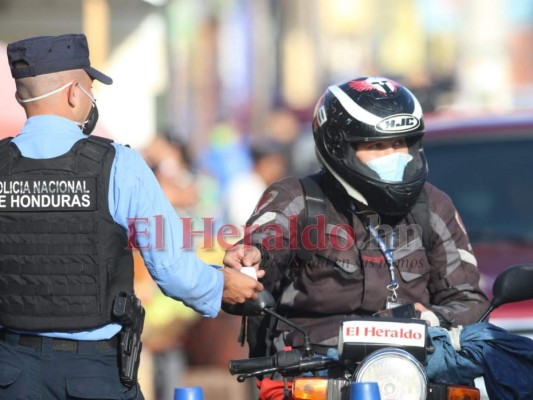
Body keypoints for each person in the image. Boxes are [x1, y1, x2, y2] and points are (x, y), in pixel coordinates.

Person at [0, 33, 263, 400]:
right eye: (92, 88)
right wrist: (223, 286)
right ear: (74, 93)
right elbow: (171, 268)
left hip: (11, 373)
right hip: (92, 377)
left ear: (20, 95)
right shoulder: (119, 165)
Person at [223, 76, 490, 399]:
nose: (395, 154)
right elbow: (266, 243)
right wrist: (251, 259)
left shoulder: (434, 205)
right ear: (340, 149)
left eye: (401, 143)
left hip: (413, 376)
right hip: (314, 375)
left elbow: (470, 300)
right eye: (377, 146)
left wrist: (431, 317)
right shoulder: (296, 198)